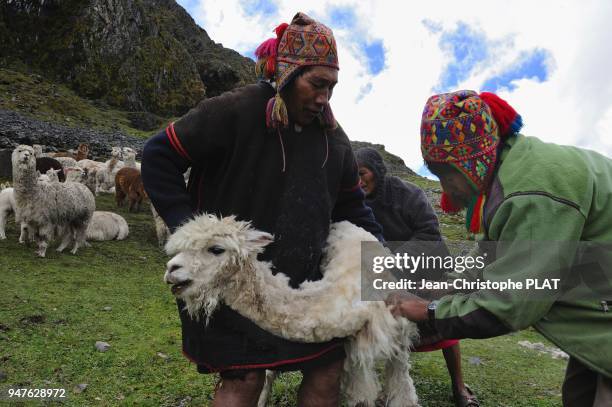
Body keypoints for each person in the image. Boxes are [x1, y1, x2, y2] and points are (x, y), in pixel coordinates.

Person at [141, 12, 382, 407]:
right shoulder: (234, 111)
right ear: (287, 74)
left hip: (302, 290)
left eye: (332, 87)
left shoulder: (333, 140)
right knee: (243, 378)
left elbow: (354, 209)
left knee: (327, 367)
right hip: (232, 281)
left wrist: (380, 263)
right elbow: (159, 155)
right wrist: (192, 234)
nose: (324, 97)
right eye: (316, 84)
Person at [388, 90, 612, 406]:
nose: (446, 188)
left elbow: (515, 300)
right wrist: (438, 289)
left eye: (446, 174)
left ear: (471, 163)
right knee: (579, 394)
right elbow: (485, 261)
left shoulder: (529, 192)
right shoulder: (510, 173)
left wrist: (429, 311)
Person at [355, 147, 479, 407]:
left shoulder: (407, 193)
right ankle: (392, 388)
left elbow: (429, 232)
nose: (358, 180)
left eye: (362, 173)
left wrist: (393, 259)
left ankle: (458, 386)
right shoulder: (357, 202)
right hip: (390, 273)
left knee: (443, 323)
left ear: (376, 171)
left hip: (428, 266)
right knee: (393, 328)